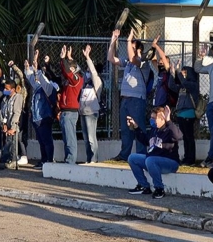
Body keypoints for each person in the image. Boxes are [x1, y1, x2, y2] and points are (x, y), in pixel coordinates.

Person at [109, 28, 151, 161]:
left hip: (137, 100)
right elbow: (111, 58)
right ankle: (124, 154)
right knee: (126, 129)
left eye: (132, 47)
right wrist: (113, 40)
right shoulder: (127, 63)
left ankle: (141, 154)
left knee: (138, 126)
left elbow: (134, 59)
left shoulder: (143, 63)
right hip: (126, 99)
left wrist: (128, 40)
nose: (129, 50)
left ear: (139, 50)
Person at [126, 105, 183, 199]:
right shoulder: (154, 130)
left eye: (154, 118)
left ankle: (159, 189)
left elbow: (178, 136)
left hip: (170, 162)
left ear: (162, 119)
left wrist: (168, 121)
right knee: (132, 158)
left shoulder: (169, 129)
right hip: (153, 160)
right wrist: (136, 127)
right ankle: (143, 186)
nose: (151, 120)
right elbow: (146, 141)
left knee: (150, 160)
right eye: (151, 118)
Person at [24, 53, 58, 166]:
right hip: (37, 118)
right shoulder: (39, 87)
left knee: (47, 140)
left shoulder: (50, 87)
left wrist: (37, 69)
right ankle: (43, 160)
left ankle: (49, 160)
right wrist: (27, 68)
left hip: (45, 117)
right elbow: (31, 79)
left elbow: (42, 80)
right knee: (41, 140)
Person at [169, 59, 201, 166]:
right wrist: (173, 73)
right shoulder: (183, 87)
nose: (183, 74)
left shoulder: (192, 85)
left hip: (188, 113)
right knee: (185, 138)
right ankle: (187, 157)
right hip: (180, 114)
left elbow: (184, 82)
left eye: (185, 72)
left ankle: (190, 158)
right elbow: (172, 86)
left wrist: (178, 71)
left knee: (189, 137)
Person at [56, 46, 85, 164]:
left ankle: (71, 160)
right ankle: (68, 158)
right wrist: (63, 60)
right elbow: (64, 72)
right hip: (64, 111)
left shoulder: (77, 79)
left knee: (70, 138)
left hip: (70, 112)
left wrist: (64, 59)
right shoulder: (69, 80)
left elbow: (68, 72)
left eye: (69, 66)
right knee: (66, 138)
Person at [78, 45, 103, 164]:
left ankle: (94, 159)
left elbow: (93, 72)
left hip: (91, 112)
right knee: (86, 138)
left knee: (92, 138)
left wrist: (88, 58)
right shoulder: (85, 82)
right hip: (83, 112)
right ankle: (89, 159)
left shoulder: (97, 82)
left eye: (88, 71)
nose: (87, 73)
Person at [0, 77, 24, 170]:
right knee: (8, 143)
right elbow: (3, 112)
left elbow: (17, 112)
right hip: (7, 124)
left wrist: (13, 127)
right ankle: (4, 161)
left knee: (12, 143)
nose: (5, 90)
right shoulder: (5, 99)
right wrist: (3, 124)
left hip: (14, 125)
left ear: (13, 89)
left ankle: (12, 161)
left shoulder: (18, 97)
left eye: (7, 89)